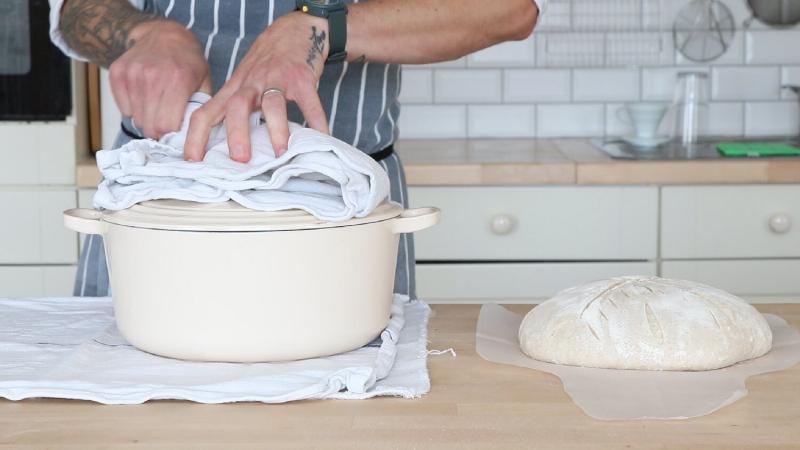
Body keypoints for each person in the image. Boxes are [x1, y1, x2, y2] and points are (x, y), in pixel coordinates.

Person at [50, 0, 543, 298]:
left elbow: (508, 10)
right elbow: (75, 12)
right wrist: (143, 33)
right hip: (158, 207)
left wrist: (324, 27)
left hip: (341, 215)